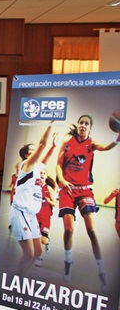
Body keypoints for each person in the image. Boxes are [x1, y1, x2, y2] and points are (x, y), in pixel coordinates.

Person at [57, 114, 118, 287]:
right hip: (68, 190)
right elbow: (58, 165)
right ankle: (68, 263)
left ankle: (101, 270)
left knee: (91, 230)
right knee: (68, 230)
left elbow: (105, 147)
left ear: (90, 128)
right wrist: (62, 180)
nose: (83, 125)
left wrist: (117, 140)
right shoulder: (67, 141)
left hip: (84, 191)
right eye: (81, 123)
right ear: (77, 125)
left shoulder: (92, 144)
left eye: (86, 123)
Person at [10, 124, 59, 274]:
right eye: (32, 149)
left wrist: (53, 146)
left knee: (37, 252)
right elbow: (42, 145)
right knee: (29, 254)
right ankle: (15, 278)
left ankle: (20, 275)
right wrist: (50, 124)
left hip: (31, 214)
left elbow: (46, 157)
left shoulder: (37, 167)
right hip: (20, 212)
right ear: (26, 155)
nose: (36, 150)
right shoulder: (27, 165)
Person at [35, 168, 57, 256]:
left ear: (46, 176)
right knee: (35, 238)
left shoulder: (48, 188)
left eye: (44, 173)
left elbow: (54, 204)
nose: (42, 174)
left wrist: (49, 201)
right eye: (41, 173)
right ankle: (38, 256)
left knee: (43, 240)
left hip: (45, 216)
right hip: (35, 215)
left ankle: (47, 243)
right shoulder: (35, 187)